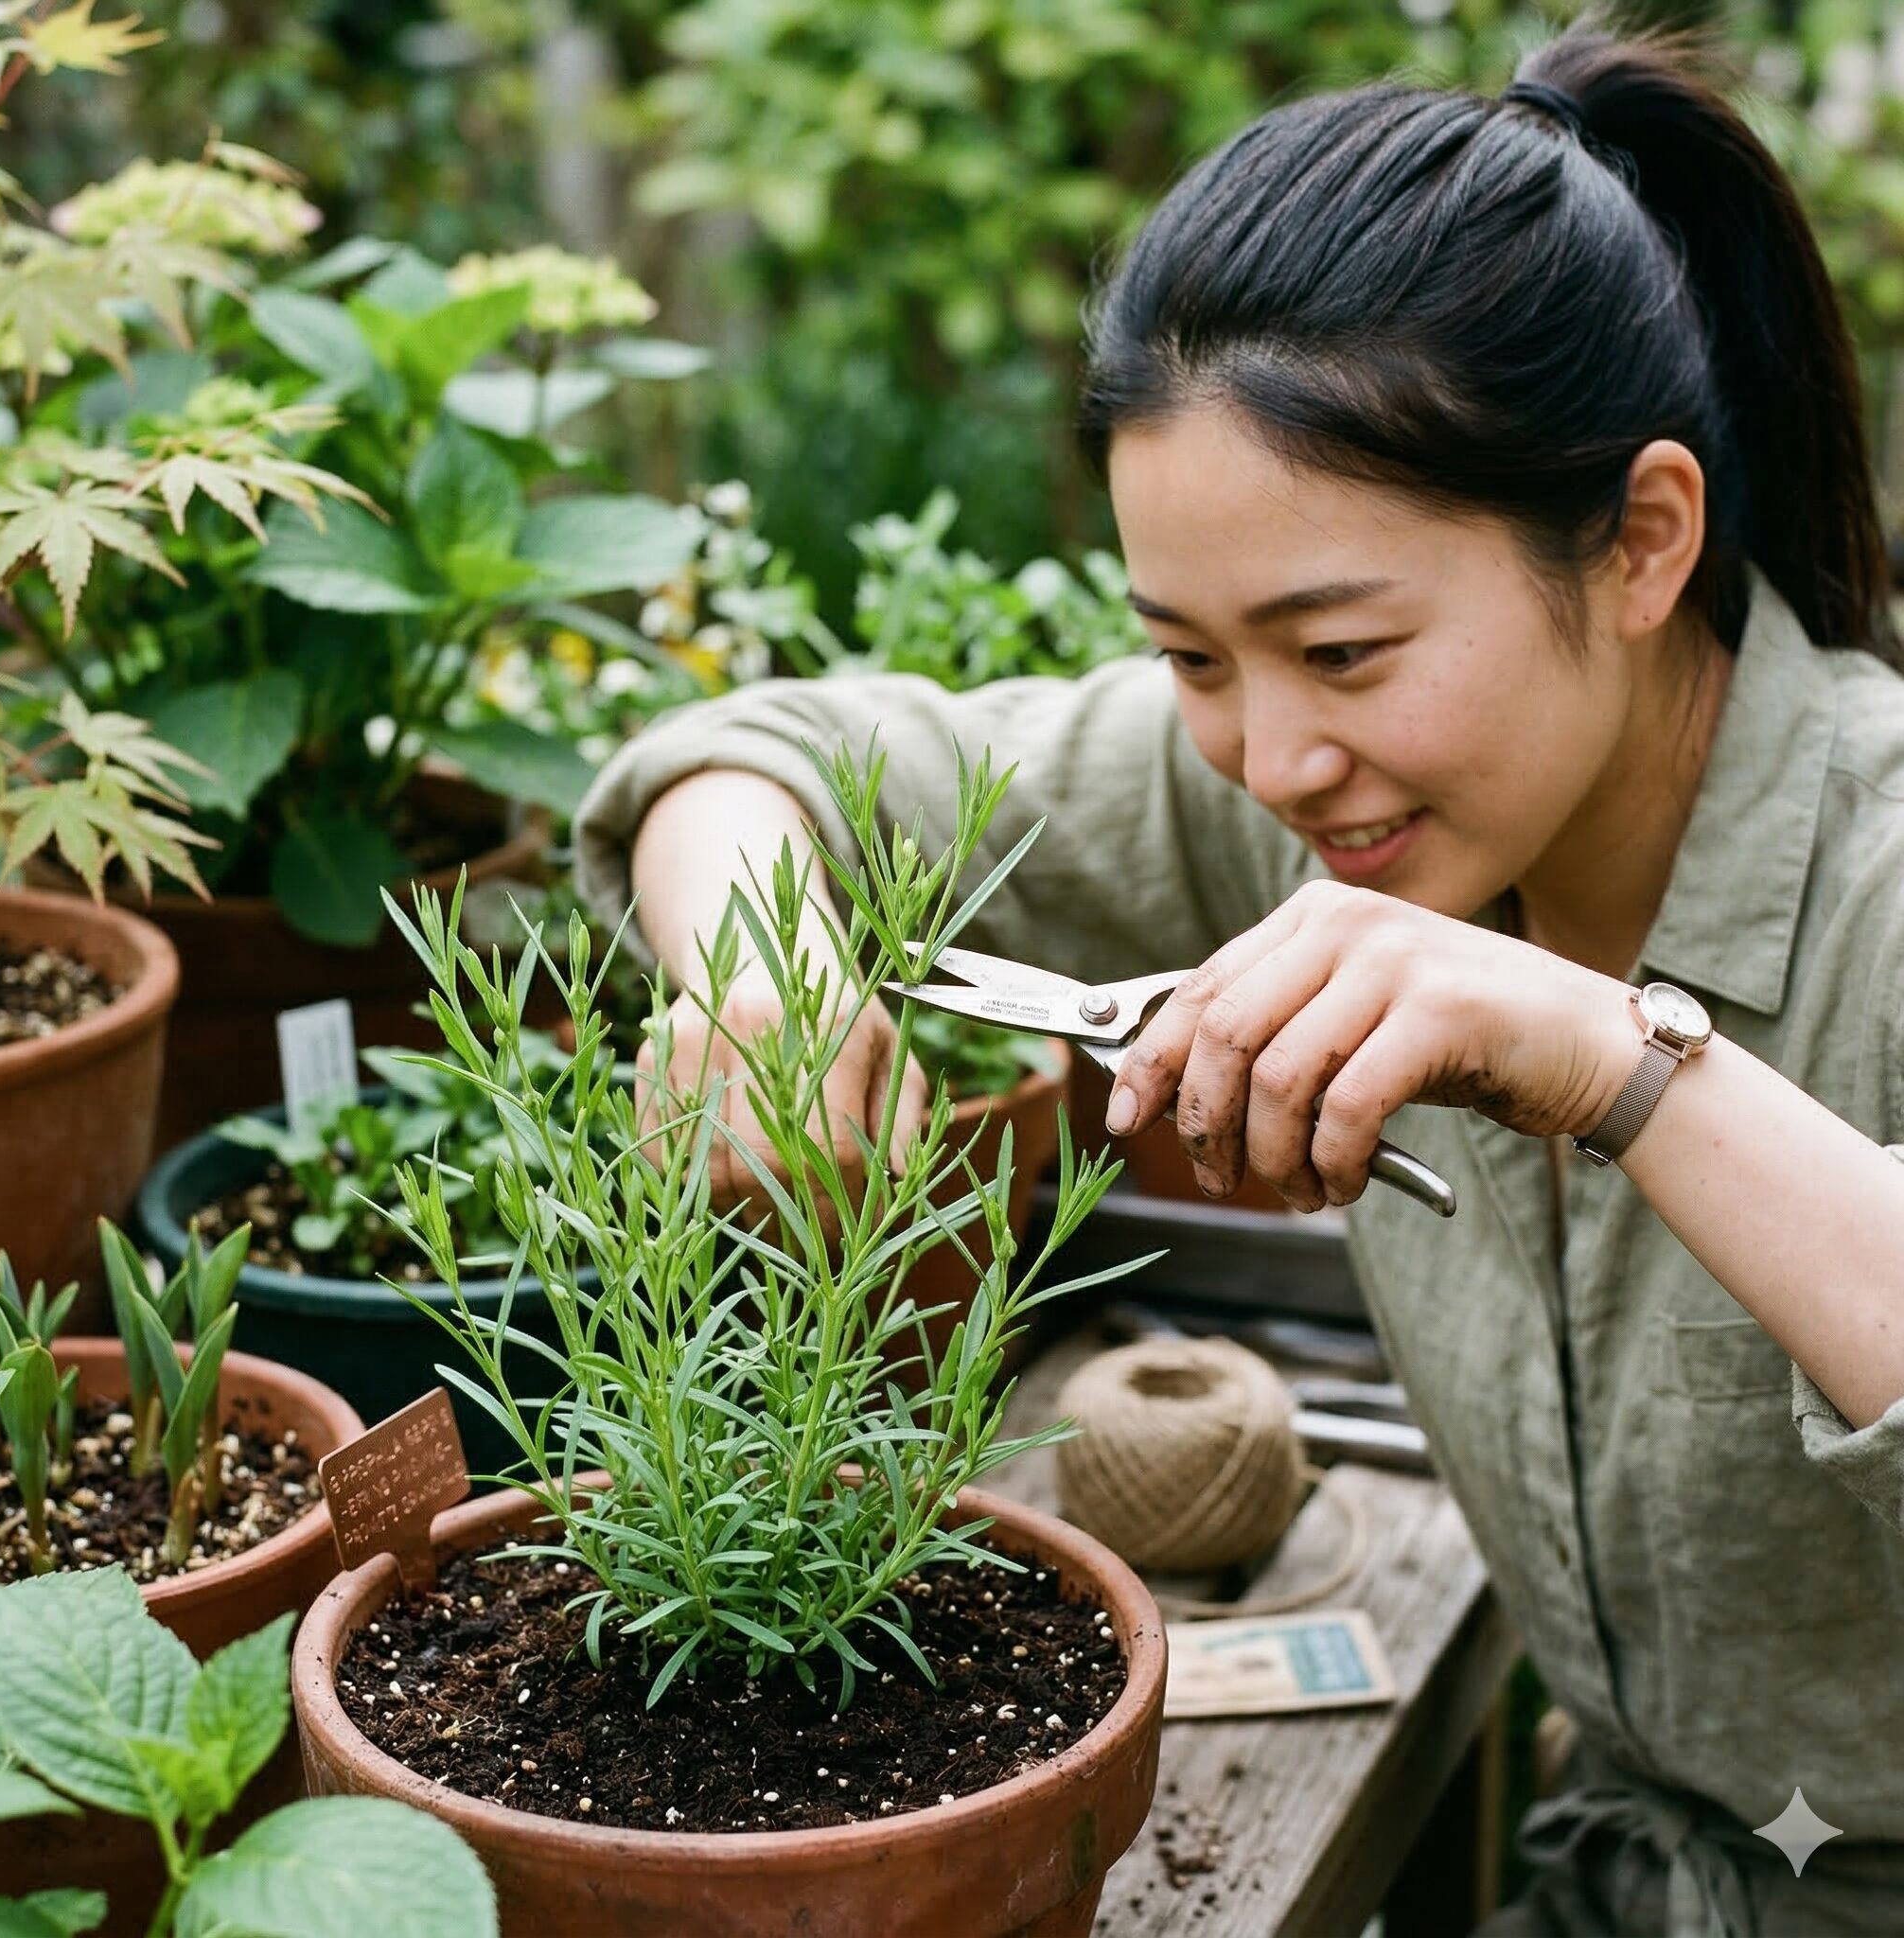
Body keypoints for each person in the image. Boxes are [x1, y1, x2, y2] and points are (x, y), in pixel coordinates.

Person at [575, 26, 1904, 1937]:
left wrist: (1608, 1057)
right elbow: (765, 759)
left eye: (1341, 649)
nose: (1268, 756)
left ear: (1640, 541)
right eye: (1193, 658)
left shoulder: (1864, 871)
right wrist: (767, 976)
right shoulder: (1342, 812)